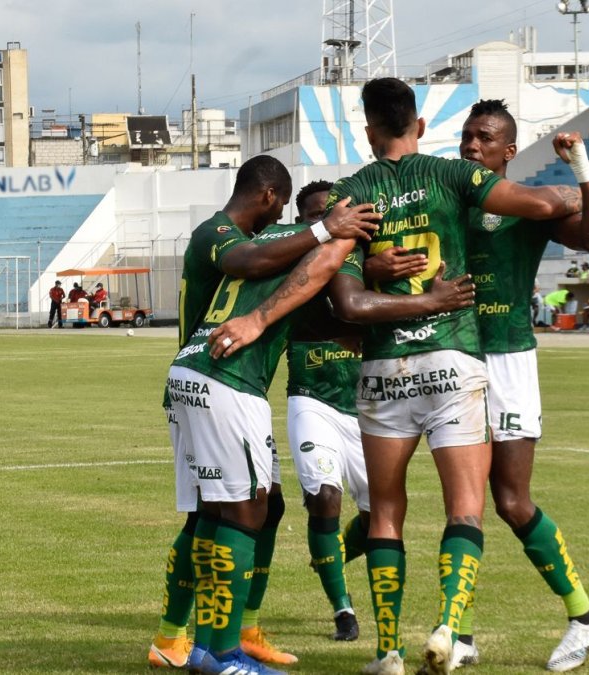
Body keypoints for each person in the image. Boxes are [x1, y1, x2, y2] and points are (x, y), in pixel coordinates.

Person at [293, 78, 584, 675]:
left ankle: (387, 652)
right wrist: (567, 189)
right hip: (455, 361)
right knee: (468, 510)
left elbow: (346, 306)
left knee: (386, 513)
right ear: (420, 127)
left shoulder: (351, 197)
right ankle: (452, 626)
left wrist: (374, 268)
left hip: (383, 371)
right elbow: (545, 205)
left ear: (368, 129)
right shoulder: (455, 178)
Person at [149, 155, 380, 671]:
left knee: (248, 508)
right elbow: (260, 269)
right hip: (226, 378)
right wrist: (330, 231)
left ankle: (218, 640)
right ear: (277, 200)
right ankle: (214, 649)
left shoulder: (270, 249)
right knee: (243, 510)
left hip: (197, 376)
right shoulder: (235, 239)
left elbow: (323, 316)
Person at [459, 98, 589, 672]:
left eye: (484, 138)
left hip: (511, 363)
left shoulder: (528, 206)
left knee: (511, 502)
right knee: (464, 503)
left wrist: (582, 172)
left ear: (507, 151)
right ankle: (462, 633)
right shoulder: (451, 198)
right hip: (458, 361)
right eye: (467, 137)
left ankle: (585, 616)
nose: (472, 146)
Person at [285, 181, 437, 644]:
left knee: (379, 517)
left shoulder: (369, 261)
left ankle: (326, 553)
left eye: (339, 213)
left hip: (367, 405)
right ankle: (343, 610)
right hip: (312, 398)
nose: (331, 223)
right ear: (302, 222)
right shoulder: (294, 262)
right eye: (317, 216)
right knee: (325, 497)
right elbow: (324, 294)